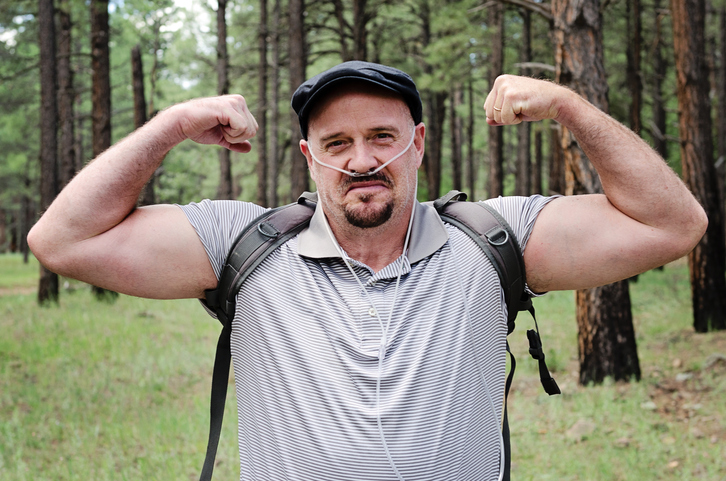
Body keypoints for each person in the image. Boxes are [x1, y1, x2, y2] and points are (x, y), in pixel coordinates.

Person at [28, 61, 707, 481]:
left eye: (382, 136)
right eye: (337, 143)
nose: (361, 159)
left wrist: (570, 108)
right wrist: (172, 125)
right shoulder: (246, 245)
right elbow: (62, 239)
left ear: (416, 144)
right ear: (308, 156)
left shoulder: (493, 239)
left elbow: (673, 224)